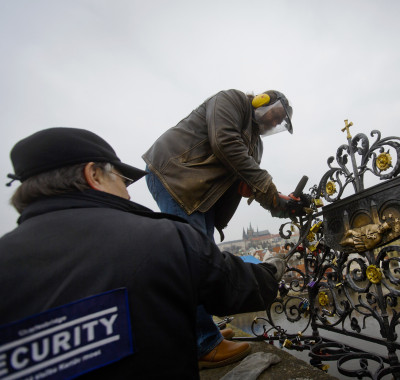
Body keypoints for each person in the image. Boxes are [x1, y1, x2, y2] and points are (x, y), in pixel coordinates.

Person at [0, 127, 285, 379]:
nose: (127, 193)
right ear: (94, 175)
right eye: (123, 181)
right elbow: (239, 287)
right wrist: (272, 269)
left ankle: (201, 336)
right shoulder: (162, 238)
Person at [142, 89, 299, 368]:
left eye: (278, 123)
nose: (273, 123)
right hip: (175, 175)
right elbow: (224, 142)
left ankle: (204, 332)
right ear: (263, 100)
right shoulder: (232, 100)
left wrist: (282, 204)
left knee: (201, 258)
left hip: (200, 195)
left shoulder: (256, 145)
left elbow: (250, 183)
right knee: (192, 259)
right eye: (275, 116)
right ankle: (203, 342)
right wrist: (270, 190)